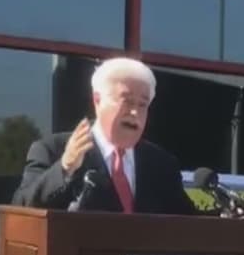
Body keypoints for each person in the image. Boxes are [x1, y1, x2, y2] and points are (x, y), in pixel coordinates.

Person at [13, 57, 197, 215]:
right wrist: (65, 168)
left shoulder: (161, 164)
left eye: (143, 104)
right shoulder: (52, 150)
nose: (135, 112)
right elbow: (20, 209)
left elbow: (191, 224)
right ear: (97, 100)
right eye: (127, 101)